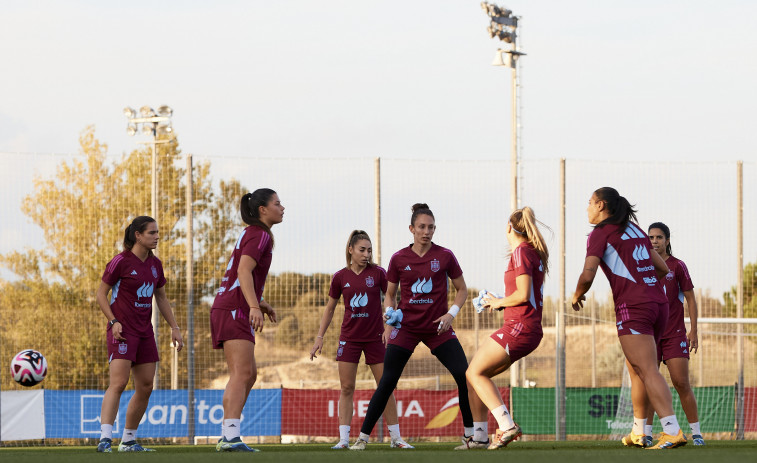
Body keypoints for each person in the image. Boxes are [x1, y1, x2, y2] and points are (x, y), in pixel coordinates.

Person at [350, 203, 477, 450]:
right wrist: (389, 315)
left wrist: (451, 314)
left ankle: (471, 436)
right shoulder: (398, 258)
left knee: (465, 375)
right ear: (412, 229)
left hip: (437, 329)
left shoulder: (445, 256)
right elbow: (389, 295)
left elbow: (462, 289)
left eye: (430, 227)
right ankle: (362, 439)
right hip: (406, 329)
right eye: (421, 227)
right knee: (387, 381)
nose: (426, 231)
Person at [571, 187, 686, 450]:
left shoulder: (600, 234)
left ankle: (671, 430)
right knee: (636, 370)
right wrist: (645, 287)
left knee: (646, 369)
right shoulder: (634, 229)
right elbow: (663, 268)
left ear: (601, 205)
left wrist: (577, 294)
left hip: (634, 308)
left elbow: (587, 276)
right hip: (659, 305)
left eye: (589, 202)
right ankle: (640, 431)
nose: (587, 207)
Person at [310, 230, 412, 449]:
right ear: (351, 250)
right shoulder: (339, 277)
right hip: (349, 339)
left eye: (369, 250)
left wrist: (389, 328)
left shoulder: (378, 273)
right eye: (362, 250)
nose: (367, 254)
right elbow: (329, 309)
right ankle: (344, 440)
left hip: (376, 339)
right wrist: (319, 337)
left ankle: (396, 439)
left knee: (386, 386)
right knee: (347, 387)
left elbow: (392, 300)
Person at [95, 216, 184, 453]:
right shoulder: (120, 262)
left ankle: (129, 440)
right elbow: (101, 295)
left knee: (145, 386)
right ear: (138, 235)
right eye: (152, 233)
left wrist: (174, 327)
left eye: (157, 233)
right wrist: (113, 321)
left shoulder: (156, 265)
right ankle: (105, 438)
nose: (156, 237)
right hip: (122, 331)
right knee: (119, 382)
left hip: (146, 333)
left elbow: (161, 297)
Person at [466, 207, 549, 450]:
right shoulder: (530, 252)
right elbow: (525, 295)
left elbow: (523, 295)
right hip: (525, 326)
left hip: (520, 327)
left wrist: (497, 302)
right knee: (476, 377)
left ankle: (506, 425)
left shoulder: (521, 252)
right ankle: (480, 437)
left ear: (509, 229)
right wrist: (502, 301)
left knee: (473, 373)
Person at [211, 189, 283, 452]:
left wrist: (259, 302)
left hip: (231, 306)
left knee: (249, 374)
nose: (282, 207)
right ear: (263, 210)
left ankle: (229, 435)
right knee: (241, 374)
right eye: (277, 203)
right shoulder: (259, 233)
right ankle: (229, 437)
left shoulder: (254, 233)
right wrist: (253, 304)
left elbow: (241, 274)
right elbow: (243, 270)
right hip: (233, 309)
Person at [644, 222, 703, 446]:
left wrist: (694, 330)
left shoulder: (678, 266)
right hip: (649, 336)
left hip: (675, 334)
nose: (654, 241)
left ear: (667, 240)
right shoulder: (643, 266)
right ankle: (646, 433)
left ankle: (696, 433)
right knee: (650, 383)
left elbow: (691, 299)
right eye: (650, 238)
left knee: (681, 383)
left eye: (659, 237)